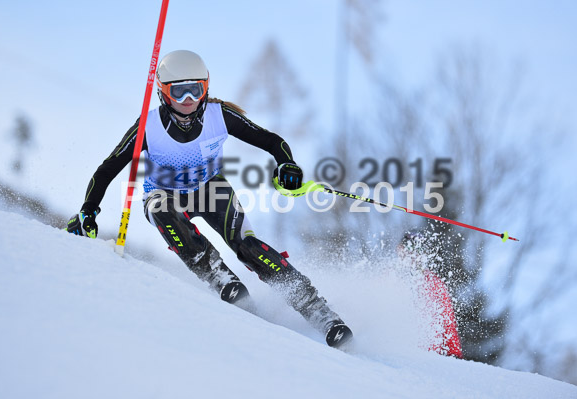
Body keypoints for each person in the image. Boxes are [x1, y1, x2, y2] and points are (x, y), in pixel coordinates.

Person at [66, 50, 353, 348]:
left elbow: (272, 141)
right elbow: (107, 169)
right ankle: (218, 275)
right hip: (163, 194)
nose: (188, 98)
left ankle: (319, 311)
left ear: (206, 87)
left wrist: (286, 164)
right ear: (164, 92)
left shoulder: (220, 116)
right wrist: (89, 210)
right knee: (163, 211)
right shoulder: (148, 127)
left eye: (196, 89)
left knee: (249, 246)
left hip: (210, 188)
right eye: (179, 91)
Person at [397, 229, 463, 358]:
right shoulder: (389, 277)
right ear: (400, 249)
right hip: (397, 352)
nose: (414, 255)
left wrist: (455, 354)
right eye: (410, 248)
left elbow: (448, 322)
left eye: (420, 251)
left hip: (428, 356)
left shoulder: (434, 285)